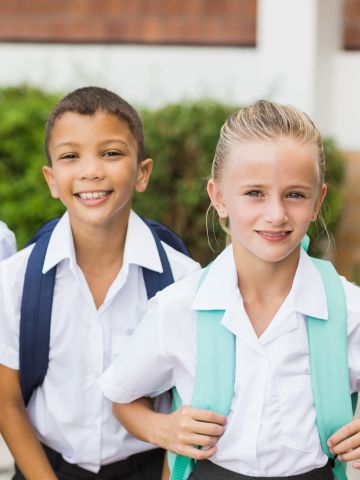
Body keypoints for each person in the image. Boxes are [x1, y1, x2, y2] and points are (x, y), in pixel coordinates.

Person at [99, 100, 360, 479]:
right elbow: (121, 396)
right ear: (219, 197)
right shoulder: (178, 308)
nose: (276, 213)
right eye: (254, 193)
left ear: (318, 201)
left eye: (295, 195)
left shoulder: (348, 309)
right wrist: (162, 429)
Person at [0, 86, 198, 480]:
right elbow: (7, 403)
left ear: (142, 172)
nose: (91, 170)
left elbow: (186, 401)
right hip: (45, 468)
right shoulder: (16, 280)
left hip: (148, 468)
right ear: (52, 179)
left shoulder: (184, 280)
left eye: (111, 153)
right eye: (71, 156)